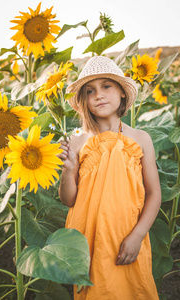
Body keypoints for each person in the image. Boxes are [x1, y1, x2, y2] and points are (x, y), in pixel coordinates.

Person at [58, 55, 161, 300]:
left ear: (122, 93)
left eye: (106, 86)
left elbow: (154, 193)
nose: (98, 95)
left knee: (135, 289)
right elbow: (69, 200)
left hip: (127, 233)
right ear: (84, 100)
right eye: (90, 91)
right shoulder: (77, 141)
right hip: (89, 236)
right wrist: (68, 170)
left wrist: (138, 235)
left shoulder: (141, 138)